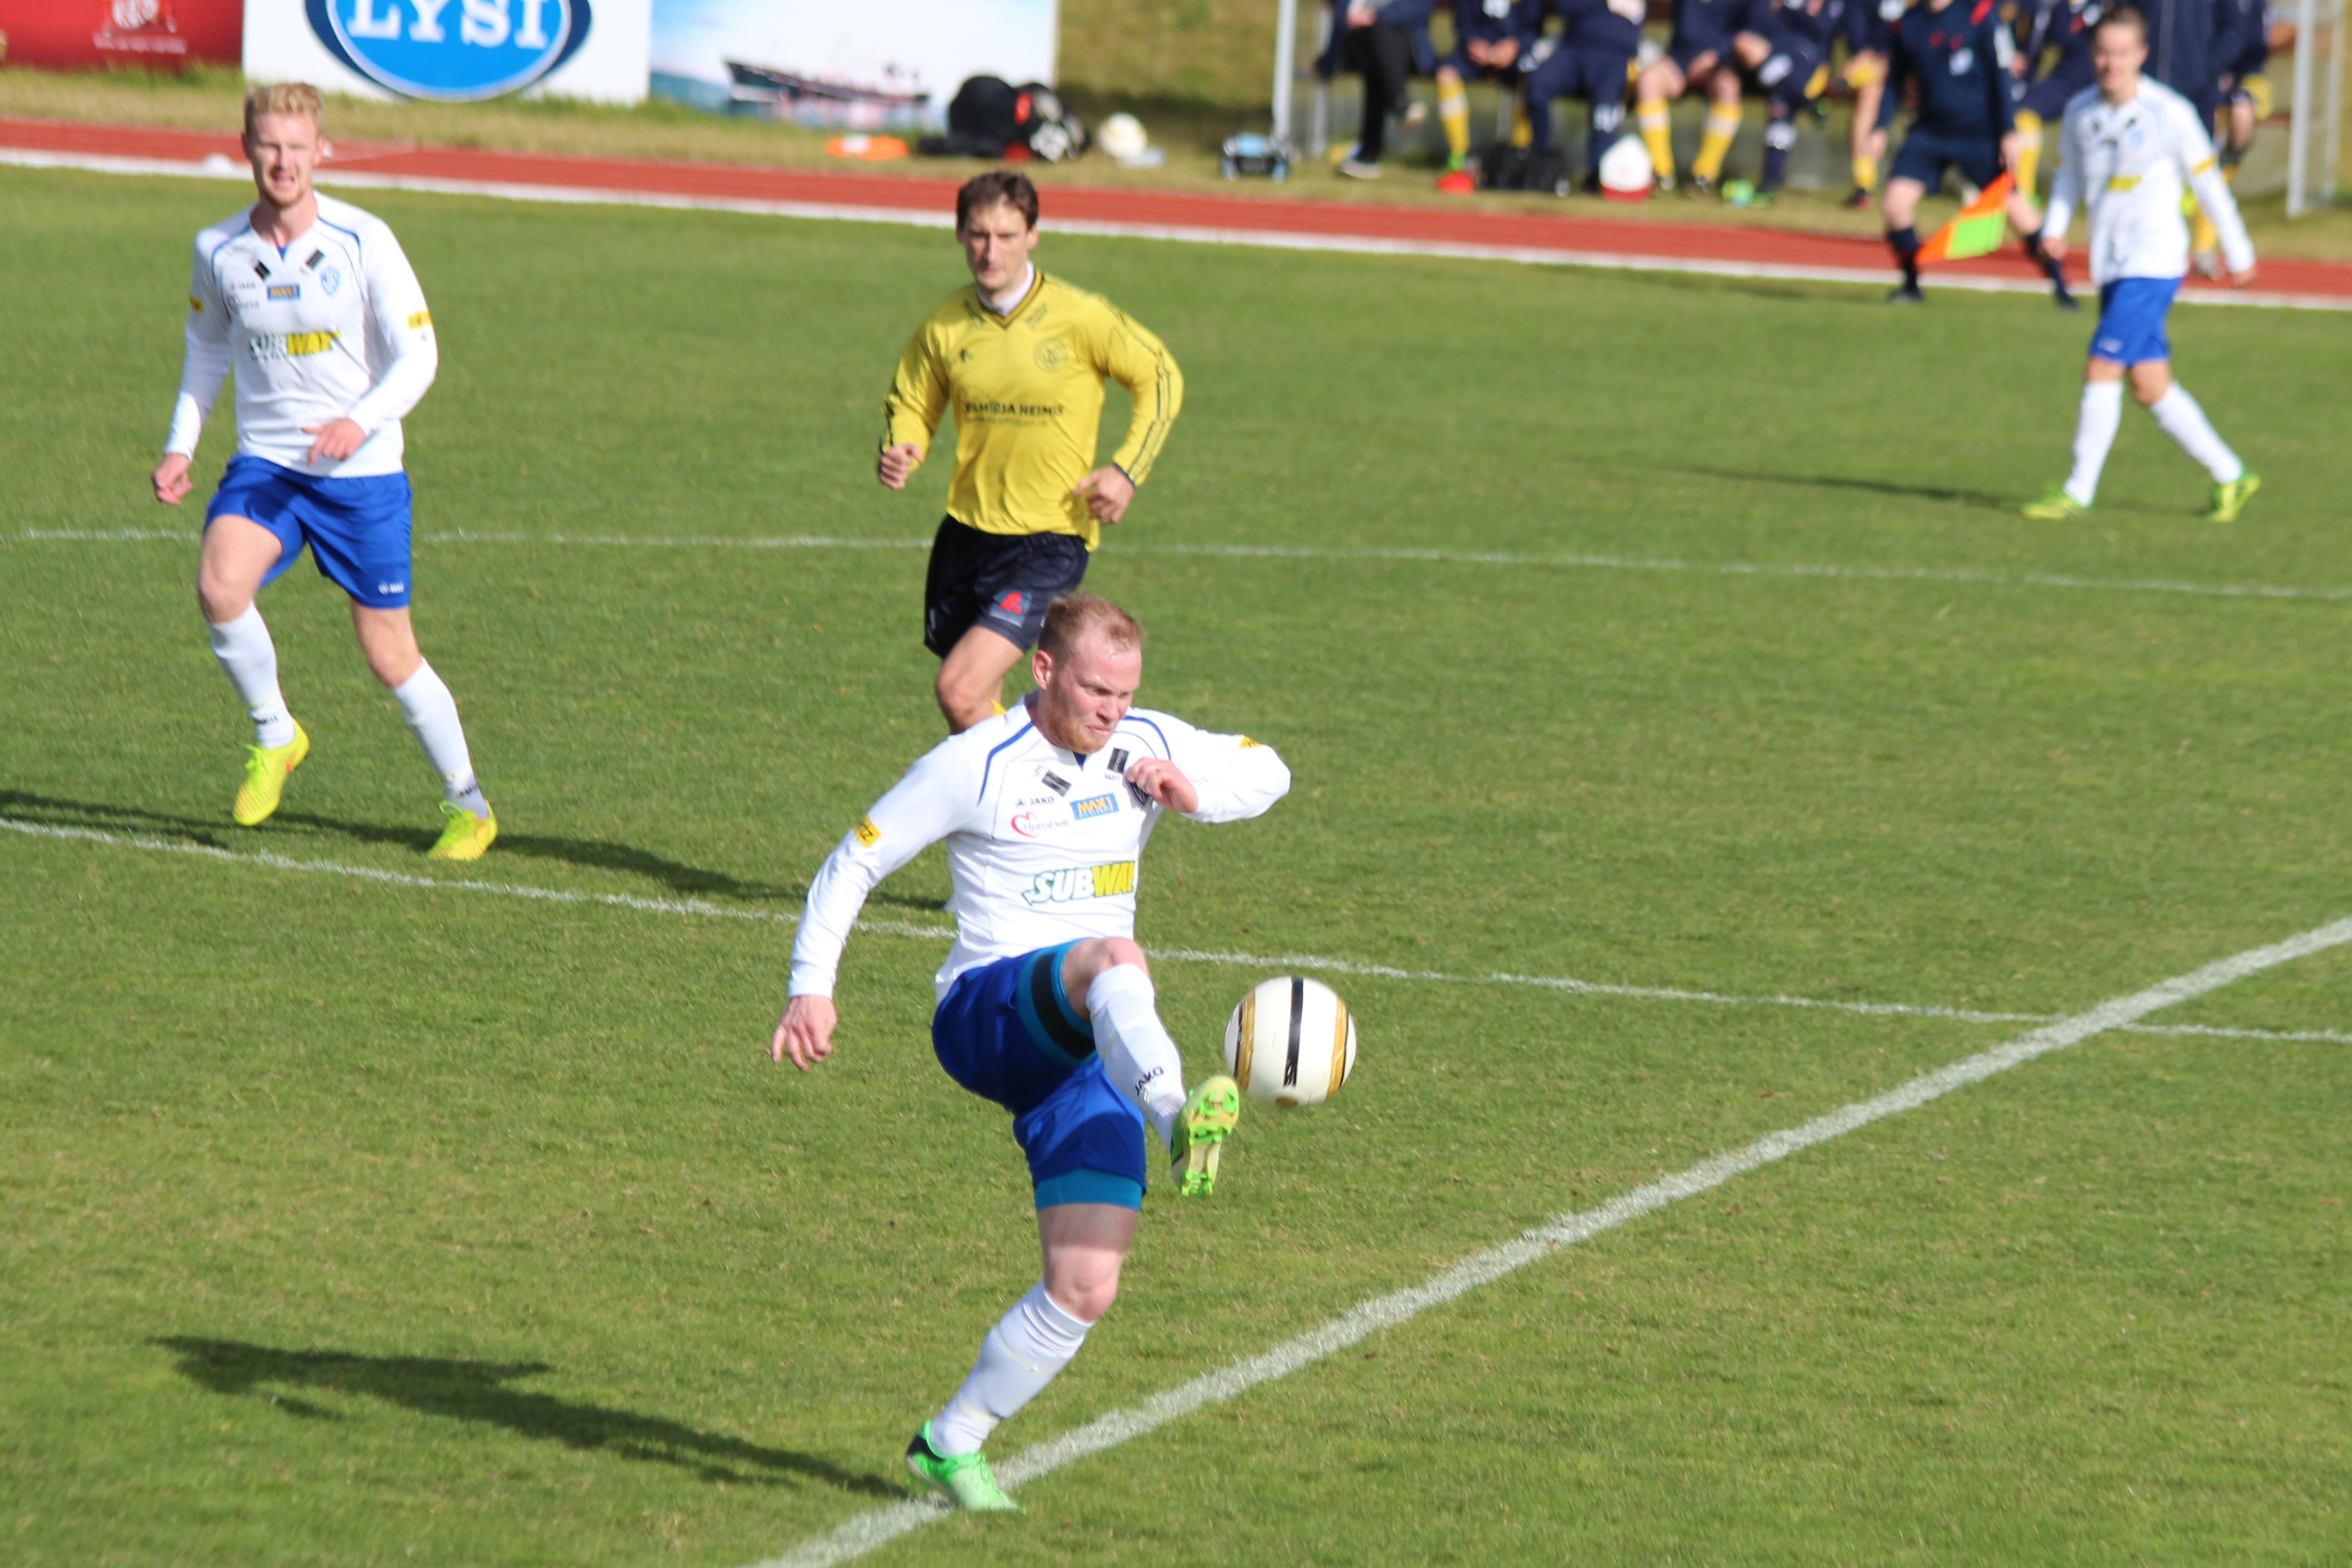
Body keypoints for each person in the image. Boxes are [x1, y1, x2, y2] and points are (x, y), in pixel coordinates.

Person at [769, 594, 1292, 1511]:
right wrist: (811, 983)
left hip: (1095, 1050)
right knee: (1112, 955)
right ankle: (1176, 1115)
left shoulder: (1144, 738)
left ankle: (951, 1440)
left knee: (1085, 1282)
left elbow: (1270, 770)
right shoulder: (974, 764)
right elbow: (854, 860)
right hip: (988, 1013)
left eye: (1126, 693)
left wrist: (1193, 790)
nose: (1113, 711)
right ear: (1043, 670)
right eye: (1095, 690)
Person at [150, 83, 494, 860]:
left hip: (361, 476)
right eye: (270, 145)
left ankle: (468, 804)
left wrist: (358, 422)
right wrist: (181, 445)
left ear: (321, 151)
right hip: (268, 465)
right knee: (219, 587)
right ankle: (276, 732)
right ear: (247, 147)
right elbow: (206, 349)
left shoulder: (363, 239)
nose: (284, 161)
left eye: (297, 147)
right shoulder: (218, 249)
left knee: (388, 653)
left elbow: (420, 355)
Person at [878, 172, 1183, 733]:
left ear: (1033, 235)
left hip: (1048, 539)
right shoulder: (946, 323)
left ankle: (1052, 786)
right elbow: (913, 401)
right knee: (973, 714)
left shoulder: (1080, 316)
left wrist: (1126, 470)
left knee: (959, 691)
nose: (990, 251)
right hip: (967, 535)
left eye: (1006, 236)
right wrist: (904, 445)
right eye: (978, 234)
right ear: (960, 233)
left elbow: (1160, 376)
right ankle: (1015, 793)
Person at [2022, 6, 2260, 522]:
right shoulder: (2081, 111)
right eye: (2103, 53)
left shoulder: (2170, 112)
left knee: (2102, 365)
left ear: (2141, 55)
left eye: (2122, 53)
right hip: (2110, 262)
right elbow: (2067, 178)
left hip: (2154, 262)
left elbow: (2208, 184)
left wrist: (2238, 251)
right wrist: (2055, 228)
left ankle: (2077, 491)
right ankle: (2232, 475)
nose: (2111, 64)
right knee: (2149, 384)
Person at [1876, 0, 2070, 305]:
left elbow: (2000, 76)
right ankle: (1911, 285)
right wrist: (1879, 128)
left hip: (1980, 134)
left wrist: (2008, 131)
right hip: (1930, 132)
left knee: (2019, 213)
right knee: (1895, 204)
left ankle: (2062, 289)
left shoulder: (1979, 15)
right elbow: (1894, 82)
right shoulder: (1909, 23)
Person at [1634, 0, 1760, 195]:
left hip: (1721, 63)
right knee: (1649, 80)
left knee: (1728, 86)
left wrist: (1717, 55)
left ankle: (1704, 175)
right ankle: (1661, 173)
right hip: (1680, 59)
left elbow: (1753, 30)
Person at [1523, 0, 1644, 190]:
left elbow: (1636, 13)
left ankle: (1598, 178)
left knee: (1604, 115)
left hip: (1616, 56)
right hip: (1574, 50)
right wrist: (1607, 4)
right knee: (1538, 85)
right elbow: (1565, 6)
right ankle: (1539, 162)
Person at [1729, 0, 1840, 202]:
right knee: (1778, 94)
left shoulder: (1834, 5)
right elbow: (1758, 25)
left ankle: (1769, 184)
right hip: (1780, 55)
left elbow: (1826, 29)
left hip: (1810, 61)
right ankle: (1811, 104)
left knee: (1780, 98)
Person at [1319, 0, 1441, 178]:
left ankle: (1368, 154)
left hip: (1404, 43)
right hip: (1359, 42)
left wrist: (1375, 17)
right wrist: (1327, 61)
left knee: (1380, 39)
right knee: (1377, 45)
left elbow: (1420, 7)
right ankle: (1400, 102)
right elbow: (1341, 15)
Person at [2195, 0, 2268, 274]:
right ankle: (2202, 247)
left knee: (2241, 112)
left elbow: (2255, 46)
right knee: (2203, 164)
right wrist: (2214, 71)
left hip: (2247, 79)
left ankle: (2228, 158)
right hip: (2206, 76)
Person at [1436, 0, 1539, 191]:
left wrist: (1515, 46)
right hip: (1476, 52)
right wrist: (1473, 42)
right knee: (1446, 75)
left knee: (1533, 83)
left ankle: (1517, 158)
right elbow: (1463, 22)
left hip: (1516, 54)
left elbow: (1534, 28)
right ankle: (1460, 156)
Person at [1838, 0, 1905, 207]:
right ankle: (1864, 185)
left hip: (1911, 64)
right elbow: (1856, 33)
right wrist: (1868, 55)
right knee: (1869, 92)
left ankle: (1864, 184)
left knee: (1867, 88)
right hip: (1873, 64)